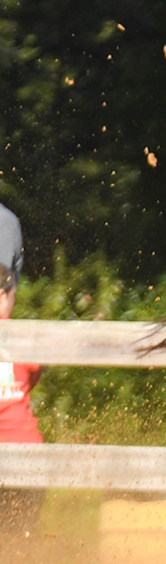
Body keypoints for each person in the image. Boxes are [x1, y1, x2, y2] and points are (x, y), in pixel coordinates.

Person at [0, 203, 44, 537]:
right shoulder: (25, 348)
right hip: (28, 454)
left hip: (22, 455)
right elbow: (33, 374)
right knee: (18, 541)